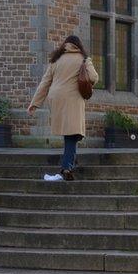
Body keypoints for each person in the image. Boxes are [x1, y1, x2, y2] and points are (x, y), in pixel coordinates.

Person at [27, 35, 99, 182]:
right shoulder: (83, 59)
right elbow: (93, 77)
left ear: (65, 45)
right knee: (73, 134)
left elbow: (45, 82)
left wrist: (34, 103)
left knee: (71, 133)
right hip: (73, 99)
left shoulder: (56, 59)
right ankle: (67, 168)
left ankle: (70, 161)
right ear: (78, 45)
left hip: (56, 99)